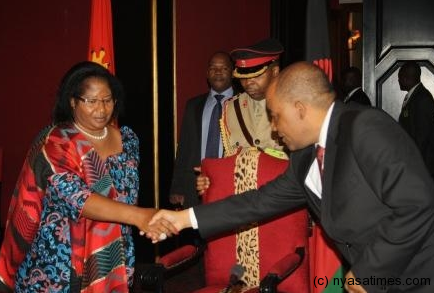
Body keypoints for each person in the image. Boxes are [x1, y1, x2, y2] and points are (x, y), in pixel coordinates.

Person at [149, 62, 434, 292]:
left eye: (275, 116)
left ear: (299, 109)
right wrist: (183, 219)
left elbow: (417, 206)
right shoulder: (305, 157)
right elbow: (256, 202)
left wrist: (369, 272)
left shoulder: (365, 127)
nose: (273, 128)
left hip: (416, 274)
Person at [0, 61, 172, 292]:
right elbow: (80, 198)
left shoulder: (128, 140)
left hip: (115, 254)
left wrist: (145, 220)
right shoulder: (57, 142)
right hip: (59, 263)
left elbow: (129, 194)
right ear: (72, 101)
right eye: (91, 101)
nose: (101, 109)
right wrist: (141, 217)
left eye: (107, 100)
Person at [169, 51, 236, 208]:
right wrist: (177, 187)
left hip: (230, 188)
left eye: (224, 68)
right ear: (207, 73)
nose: (218, 72)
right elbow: (184, 148)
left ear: (233, 73)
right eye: (213, 68)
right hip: (194, 189)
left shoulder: (243, 104)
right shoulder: (193, 106)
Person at [220, 38, 287, 158]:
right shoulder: (232, 108)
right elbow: (229, 157)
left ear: (275, 72)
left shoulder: (290, 105)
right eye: (243, 76)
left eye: (256, 75)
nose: (248, 83)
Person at [398, 60, 434, 178]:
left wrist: (412, 162)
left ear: (407, 77)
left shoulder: (422, 99)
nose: (398, 80)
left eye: (400, 77)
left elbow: (422, 136)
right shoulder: (416, 96)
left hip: (422, 164)